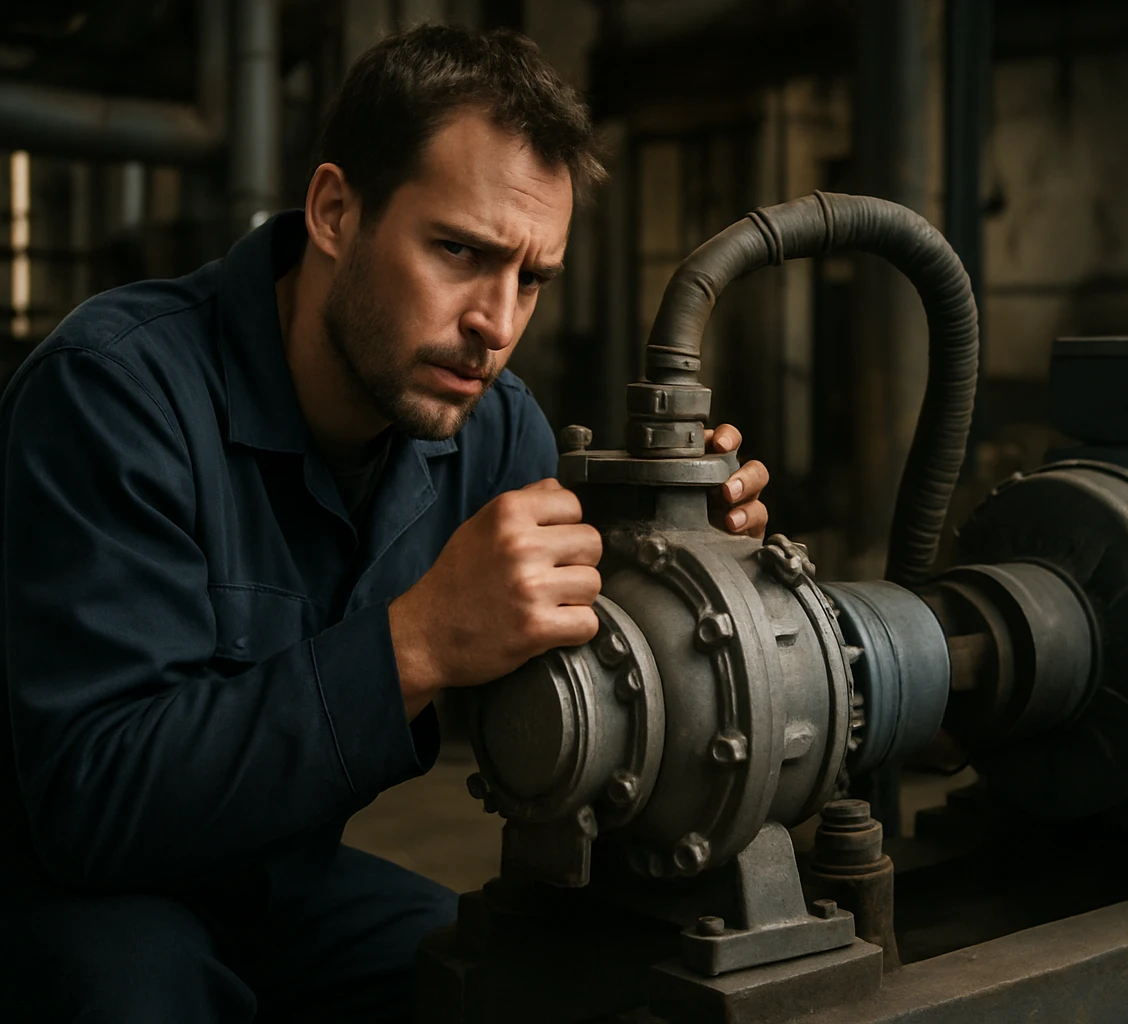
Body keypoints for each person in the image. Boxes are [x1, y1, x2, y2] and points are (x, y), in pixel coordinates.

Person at [0, 24, 768, 1023]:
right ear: (333, 211)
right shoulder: (114, 395)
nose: (496, 322)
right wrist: (416, 643)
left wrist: (688, 560)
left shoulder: (495, 433)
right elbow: (94, 801)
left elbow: (591, 668)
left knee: (517, 983)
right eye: (459, 251)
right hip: (65, 891)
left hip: (277, 884)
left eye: (530, 279)